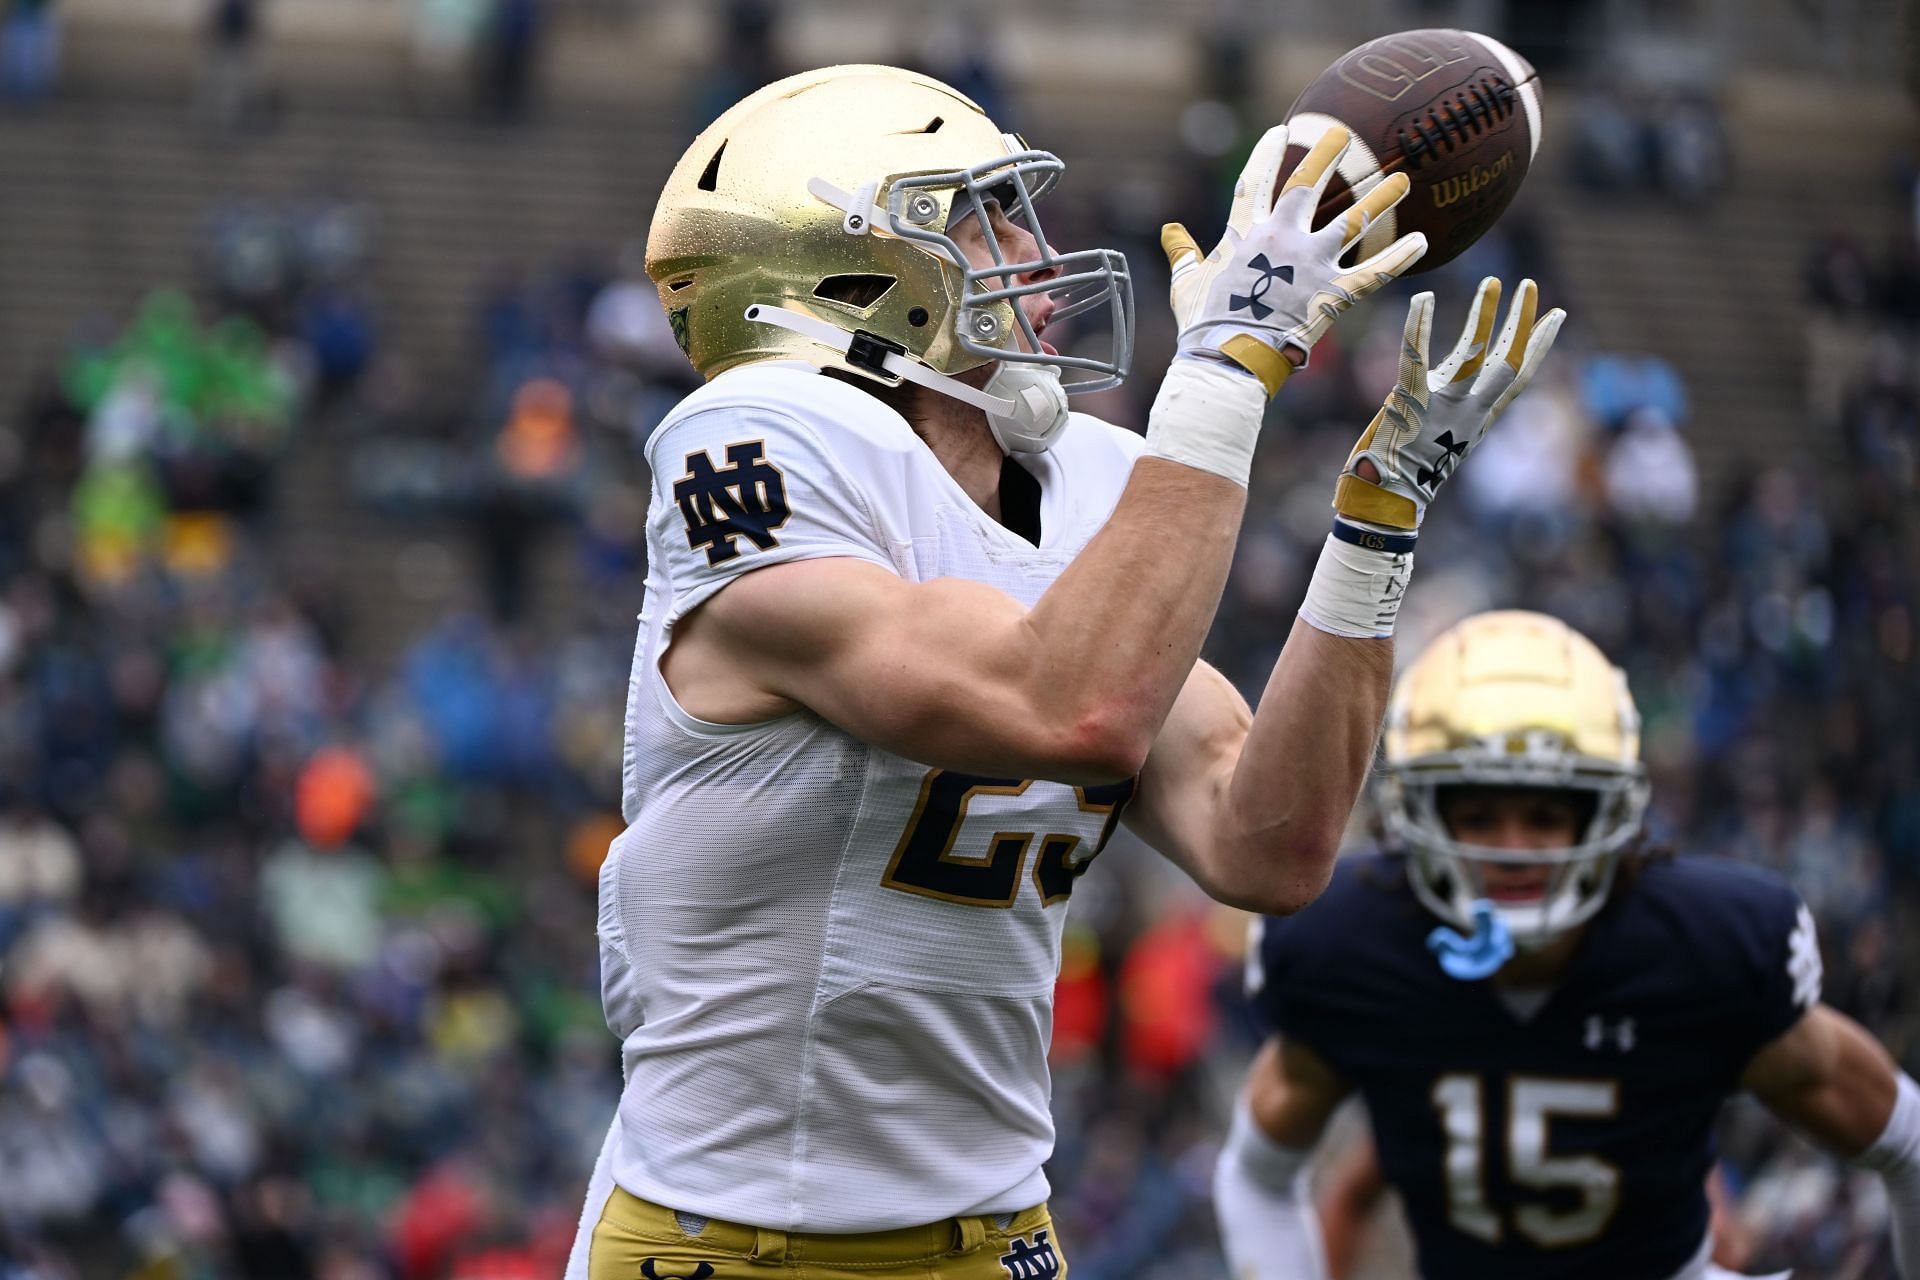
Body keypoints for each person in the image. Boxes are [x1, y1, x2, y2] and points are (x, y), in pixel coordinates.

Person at [569, 64, 1562, 1280]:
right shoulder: (759, 443)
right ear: (846, 276)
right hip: (728, 1236)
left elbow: (1268, 839)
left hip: (1000, 1230)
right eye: (978, 218)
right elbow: (1064, 706)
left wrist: (1378, 517)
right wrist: (1226, 368)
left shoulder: (1088, 477)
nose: (1035, 256)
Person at [1215, 609, 1920, 1280]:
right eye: (1479, 815)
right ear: (1415, 815)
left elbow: (1907, 1139)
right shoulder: (1350, 946)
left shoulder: (1705, 946)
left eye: (1547, 814)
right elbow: (1255, 1175)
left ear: (1609, 812)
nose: (1515, 850)